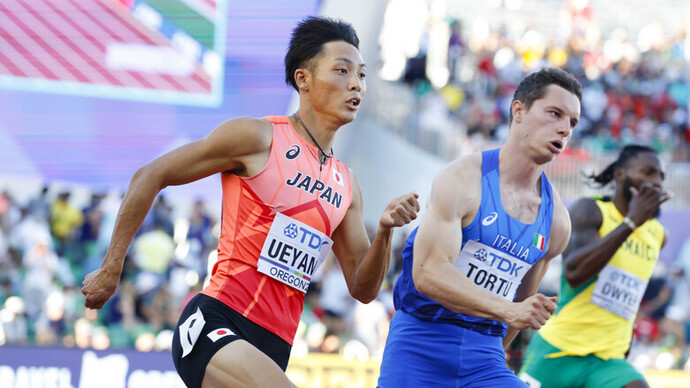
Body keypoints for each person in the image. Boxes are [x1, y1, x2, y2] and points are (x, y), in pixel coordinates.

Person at [81, 16, 420, 388]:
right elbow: (149, 176)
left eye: (362, 75)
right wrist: (112, 268)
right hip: (217, 322)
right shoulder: (258, 137)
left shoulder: (346, 183)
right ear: (303, 79)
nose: (356, 84)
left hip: (275, 349)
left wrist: (385, 230)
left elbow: (363, 288)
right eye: (342, 71)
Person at [377, 67, 582, 387]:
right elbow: (428, 273)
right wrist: (508, 311)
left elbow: (522, 308)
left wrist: (501, 330)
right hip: (420, 344)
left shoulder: (556, 222)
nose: (564, 129)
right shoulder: (463, 178)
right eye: (554, 113)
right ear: (519, 110)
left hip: (485, 356)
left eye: (572, 122)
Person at [519, 144, 670, 388]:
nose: (657, 183)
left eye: (661, 177)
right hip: (560, 349)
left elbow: (629, 292)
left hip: (608, 360)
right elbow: (574, 273)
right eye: (648, 172)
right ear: (621, 174)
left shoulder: (658, 234)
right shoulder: (591, 211)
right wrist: (631, 223)